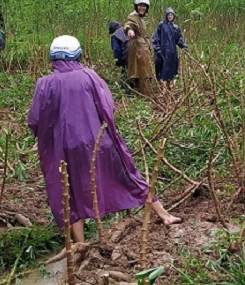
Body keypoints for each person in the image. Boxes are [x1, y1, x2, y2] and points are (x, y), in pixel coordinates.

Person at [28, 35, 181, 243]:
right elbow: (107, 106)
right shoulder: (89, 76)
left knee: (68, 190)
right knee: (127, 175)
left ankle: (80, 244)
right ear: (77, 54)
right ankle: (164, 215)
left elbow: (35, 120)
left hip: (63, 149)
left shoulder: (44, 84)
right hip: (99, 142)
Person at [124, 0, 156, 97]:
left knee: (145, 71)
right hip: (138, 48)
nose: (142, 8)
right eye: (140, 6)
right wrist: (129, 30)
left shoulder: (141, 18)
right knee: (142, 71)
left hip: (143, 47)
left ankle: (144, 94)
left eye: (144, 6)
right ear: (136, 6)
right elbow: (128, 24)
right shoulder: (133, 16)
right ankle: (144, 95)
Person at [152, 7, 188, 88]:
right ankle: (163, 90)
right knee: (163, 71)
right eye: (168, 15)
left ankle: (170, 88)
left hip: (172, 53)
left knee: (171, 71)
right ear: (166, 15)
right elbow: (155, 38)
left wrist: (183, 46)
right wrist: (157, 49)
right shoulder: (161, 25)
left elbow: (179, 39)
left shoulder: (175, 27)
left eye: (172, 15)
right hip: (162, 52)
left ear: (174, 16)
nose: (170, 16)